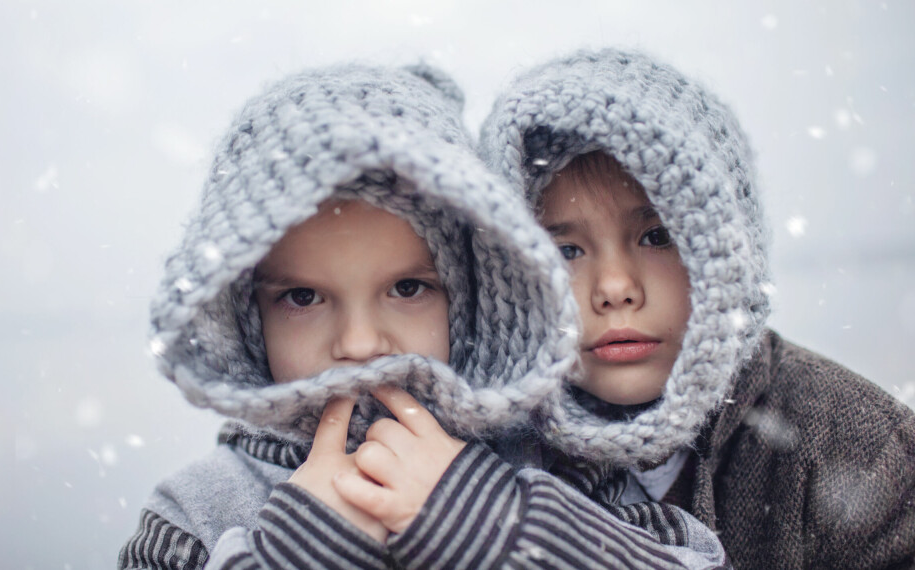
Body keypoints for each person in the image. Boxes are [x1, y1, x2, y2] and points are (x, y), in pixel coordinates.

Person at [119, 62, 730, 569]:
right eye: (303, 298)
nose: (361, 345)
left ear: (467, 297)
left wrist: (495, 524)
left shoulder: (553, 466)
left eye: (408, 288)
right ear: (246, 317)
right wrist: (296, 556)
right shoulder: (198, 515)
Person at [478, 47, 915, 569]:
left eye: (657, 236)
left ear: (727, 249)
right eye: (565, 250)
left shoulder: (856, 445)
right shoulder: (478, 451)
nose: (615, 288)